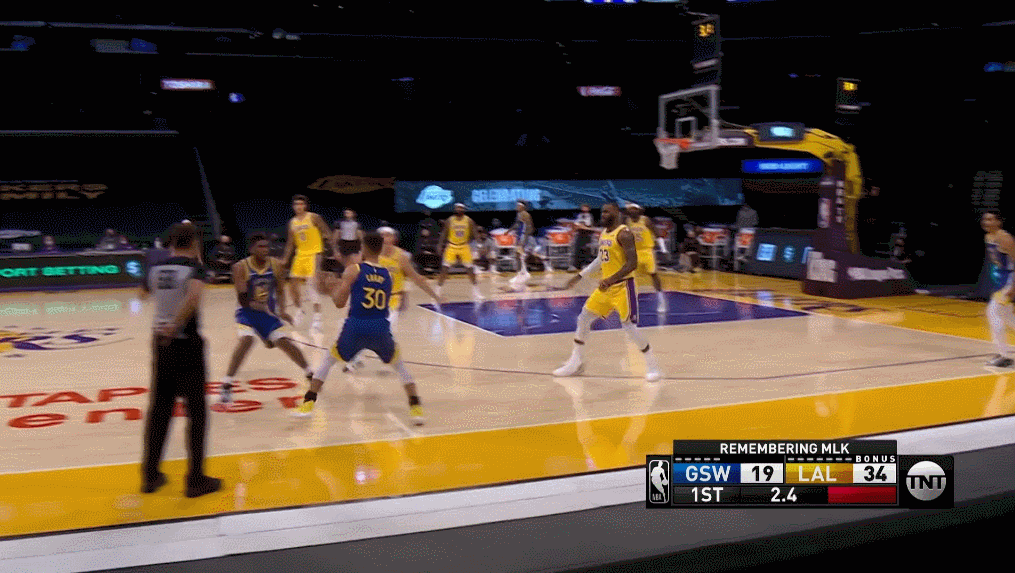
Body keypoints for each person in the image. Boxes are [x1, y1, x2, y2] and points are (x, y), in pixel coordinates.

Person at [293, 232, 424, 425]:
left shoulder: (354, 270)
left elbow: (339, 303)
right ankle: (416, 408)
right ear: (380, 249)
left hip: (356, 326)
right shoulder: (388, 275)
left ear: (363, 248)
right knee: (400, 366)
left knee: (328, 361)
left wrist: (330, 288)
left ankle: (308, 404)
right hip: (380, 327)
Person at [138, 223, 221, 498]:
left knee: (159, 410)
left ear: (171, 243)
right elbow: (194, 297)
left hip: (160, 343)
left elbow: (142, 294)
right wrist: (176, 323)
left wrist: (166, 312)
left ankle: (150, 476)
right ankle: (195, 479)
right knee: (196, 412)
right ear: (194, 243)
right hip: (185, 343)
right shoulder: (194, 269)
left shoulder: (156, 268)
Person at [553, 203, 662, 381]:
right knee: (584, 318)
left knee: (629, 328)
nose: (603, 214)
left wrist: (610, 279)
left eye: (607, 211)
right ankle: (576, 362)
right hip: (606, 287)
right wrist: (579, 276)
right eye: (602, 211)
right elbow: (600, 259)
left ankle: (653, 366)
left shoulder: (624, 233)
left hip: (624, 287)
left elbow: (632, 264)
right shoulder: (604, 233)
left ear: (616, 213)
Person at [220, 233, 316, 404]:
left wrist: (282, 310)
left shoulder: (276, 265)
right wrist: (261, 306)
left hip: (267, 314)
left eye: (266, 246)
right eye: (261, 246)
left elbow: (280, 290)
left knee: (285, 342)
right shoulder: (240, 267)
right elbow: (243, 299)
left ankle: (310, 374)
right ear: (251, 249)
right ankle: (227, 384)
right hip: (246, 313)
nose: (265, 249)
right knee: (247, 340)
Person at [344, 227, 445, 372]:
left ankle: (375, 359)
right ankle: (362, 357)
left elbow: (416, 278)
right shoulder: (370, 255)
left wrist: (435, 296)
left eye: (388, 235)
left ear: (394, 238)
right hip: (371, 298)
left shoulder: (401, 257)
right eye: (382, 235)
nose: (385, 238)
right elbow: (356, 273)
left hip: (392, 300)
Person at [282, 195, 332, 332]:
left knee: (311, 285)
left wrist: (334, 249)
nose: (299, 206)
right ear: (293, 207)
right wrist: (285, 258)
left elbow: (327, 232)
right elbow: (290, 243)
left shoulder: (313, 217)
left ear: (305, 205)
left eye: (301, 204)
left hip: (314, 254)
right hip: (300, 255)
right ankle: (299, 310)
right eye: (296, 204)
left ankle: (317, 319)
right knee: (292, 284)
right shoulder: (292, 222)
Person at [983, 210, 1015, 368]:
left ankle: (1004, 356)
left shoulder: (1005, 238)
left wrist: (1013, 287)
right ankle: (1003, 354)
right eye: (985, 219)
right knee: (1008, 317)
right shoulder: (988, 237)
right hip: (1000, 279)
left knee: (992, 312)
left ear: (999, 222)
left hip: (1009, 280)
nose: (986, 222)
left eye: (990, 219)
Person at [436, 203, 484, 300]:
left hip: (464, 246)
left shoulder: (468, 220)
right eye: (457, 208)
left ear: (464, 209)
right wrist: (440, 245)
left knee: (470, 269)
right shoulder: (450, 220)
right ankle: (437, 292)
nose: (459, 209)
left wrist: (479, 244)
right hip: (452, 246)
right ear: (455, 209)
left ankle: (476, 292)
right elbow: (444, 233)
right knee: (444, 269)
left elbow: (475, 232)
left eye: (461, 208)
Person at [624, 203, 666, 311]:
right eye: (630, 209)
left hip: (647, 251)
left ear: (639, 210)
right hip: (634, 252)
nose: (632, 211)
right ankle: (630, 300)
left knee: (653, 274)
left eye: (634, 209)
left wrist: (663, 249)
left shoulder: (645, 220)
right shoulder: (627, 221)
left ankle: (661, 299)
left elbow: (657, 233)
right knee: (630, 277)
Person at [571, 204, 596, 271]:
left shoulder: (589, 216)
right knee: (577, 250)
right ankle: (576, 265)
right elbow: (576, 224)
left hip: (587, 235)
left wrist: (581, 226)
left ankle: (585, 264)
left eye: (585, 208)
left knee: (586, 250)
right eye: (583, 207)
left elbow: (588, 225)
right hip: (579, 235)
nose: (584, 209)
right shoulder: (580, 215)